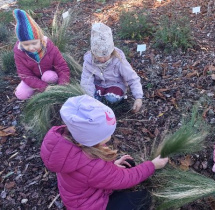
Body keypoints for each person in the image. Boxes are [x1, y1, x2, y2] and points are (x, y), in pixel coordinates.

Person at [40, 95, 168, 210]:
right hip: (94, 205)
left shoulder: (69, 143)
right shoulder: (92, 166)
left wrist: (113, 166)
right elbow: (125, 178)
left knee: (128, 164)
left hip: (89, 192)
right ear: (91, 139)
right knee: (143, 198)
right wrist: (152, 165)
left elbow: (93, 174)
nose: (110, 136)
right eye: (106, 135)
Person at [80, 22, 143, 113]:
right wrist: (89, 98)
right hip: (99, 85)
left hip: (115, 85)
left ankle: (109, 105)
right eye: (99, 56)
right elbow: (86, 80)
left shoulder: (118, 60)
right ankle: (99, 104)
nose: (103, 59)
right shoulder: (89, 61)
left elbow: (132, 78)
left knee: (111, 99)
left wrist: (138, 97)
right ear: (93, 52)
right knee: (93, 98)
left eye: (105, 55)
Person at [13, 9, 70, 100]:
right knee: (21, 94)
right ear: (21, 43)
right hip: (33, 78)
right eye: (26, 44)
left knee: (49, 77)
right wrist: (44, 87)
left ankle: (48, 89)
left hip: (48, 74)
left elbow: (62, 67)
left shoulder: (49, 48)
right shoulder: (19, 52)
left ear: (40, 39)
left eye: (34, 43)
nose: (31, 48)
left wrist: (62, 85)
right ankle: (40, 91)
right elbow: (25, 75)